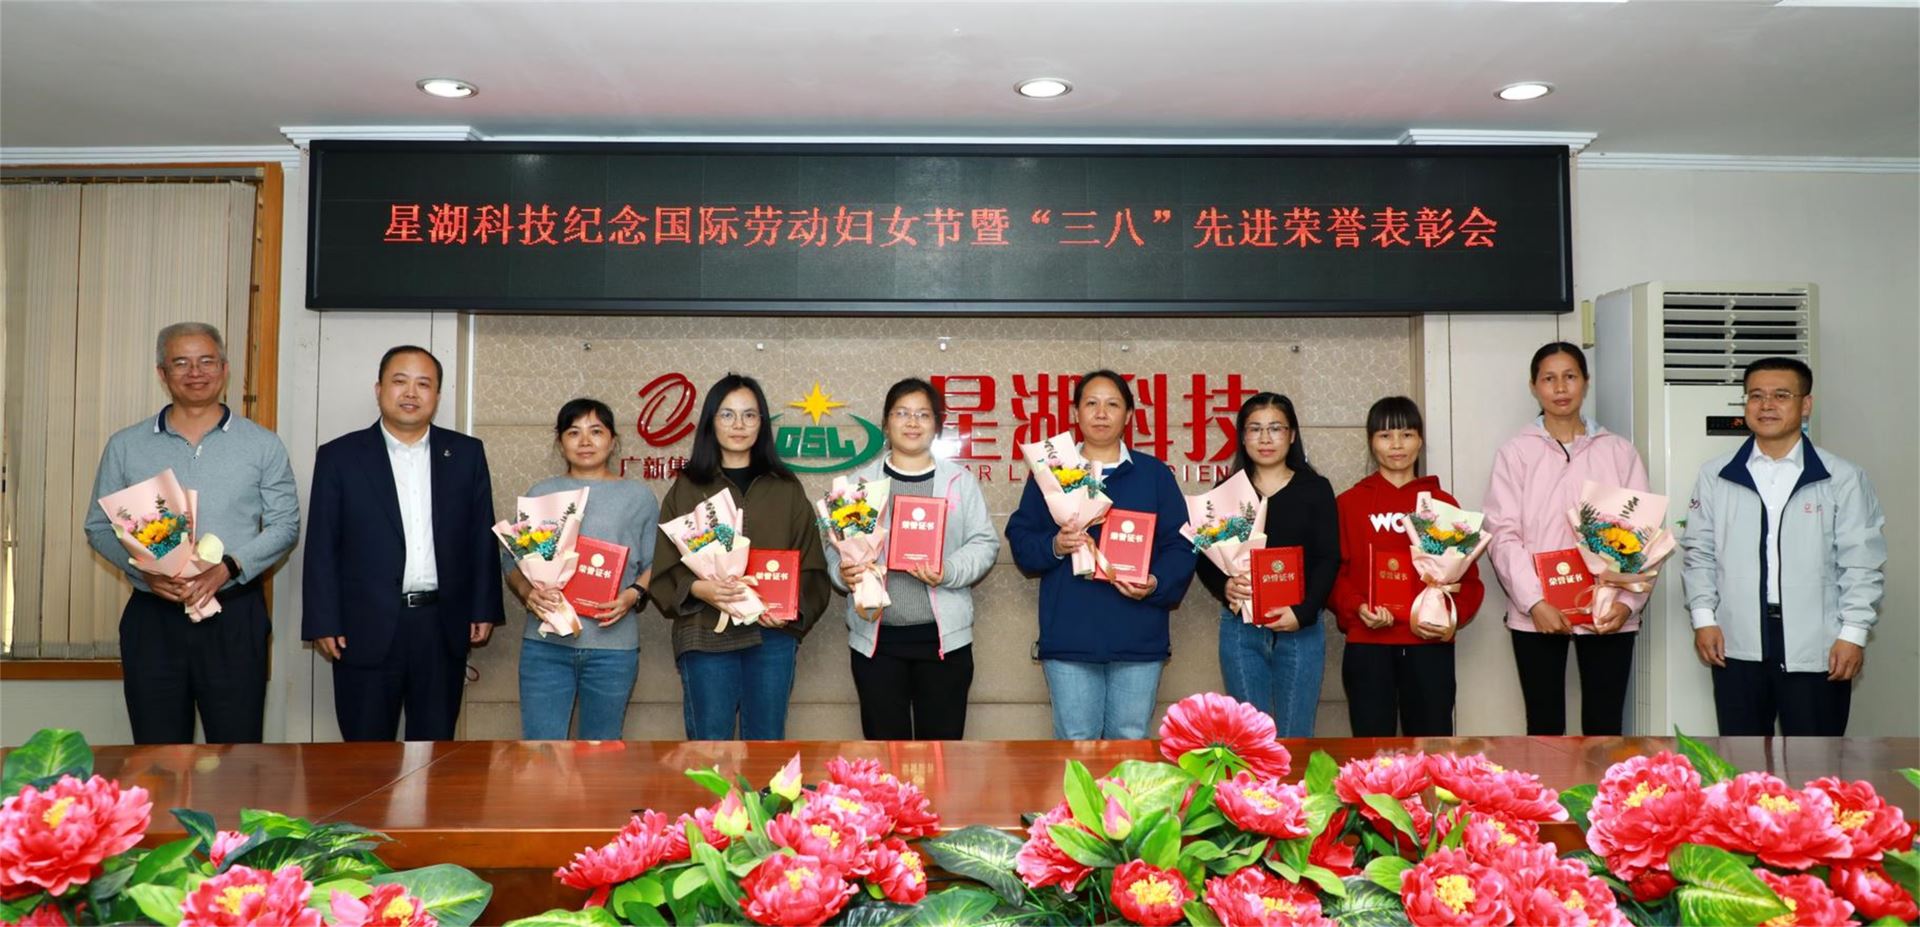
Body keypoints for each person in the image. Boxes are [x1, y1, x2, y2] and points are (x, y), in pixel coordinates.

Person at [84, 322, 299, 744]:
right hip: (154, 618)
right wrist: (146, 572)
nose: (195, 372)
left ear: (224, 369)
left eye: (206, 361)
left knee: (237, 752)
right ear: (162, 373)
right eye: (181, 363)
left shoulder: (262, 444)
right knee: (157, 754)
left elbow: (285, 524)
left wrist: (228, 568)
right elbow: (97, 526)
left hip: (234, 616)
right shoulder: (126, 445)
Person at [302, 345, 504, 741]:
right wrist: (324, 620)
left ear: (437, 396)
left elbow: (481, 535)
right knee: (365, 753)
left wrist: (483, 607)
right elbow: (322, 544)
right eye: (400, 381)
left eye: (423, 384)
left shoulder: (465, 453)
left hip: (440, 623)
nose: (411, 393)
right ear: (379, 389)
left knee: (434, 747)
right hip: (364, 624)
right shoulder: (340, 456)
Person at [1682, 357, 1884, 736]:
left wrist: (1853, 633)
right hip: (1736, 642)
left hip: (1819, 645)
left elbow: (1861, 562)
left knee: (1816, 761)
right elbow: (1699, 553)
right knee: (1740, 761)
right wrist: (1704, 619)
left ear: (1806, 404)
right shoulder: (1717, 475)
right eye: (1756, 395)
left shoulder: (1841, 477)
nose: (1766, 405)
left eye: (1781, 395)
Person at [1005, 370, 1197, 740]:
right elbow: (1022, 538)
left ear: (1129, 415)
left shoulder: (1154, 475)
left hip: (1138, 635)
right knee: (1076, 746)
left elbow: (1182, 544)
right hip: (1070, 635)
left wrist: (1156, 582)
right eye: (1091, 403)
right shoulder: (1053, 473)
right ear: (1075, 412)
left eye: (1113, 404)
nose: (1101, 413)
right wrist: (1055, 545)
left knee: (1130, 744)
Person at [649, 374, 829, 740]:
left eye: (749, 415)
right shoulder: (687, 488)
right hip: (705, 634)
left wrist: (791, 611)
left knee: (766, 748)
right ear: (711, 422)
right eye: (727, 415)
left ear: (762, 423)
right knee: (709, 750)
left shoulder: (786, 488)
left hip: (771, 638)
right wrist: (699, 589)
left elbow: (813, 567)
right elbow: (664, 570)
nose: (739, 425)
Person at [1484, 342, 1648, 736]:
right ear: (1534, 386)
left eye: (1570, 376)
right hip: (1538, 612)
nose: (1560, 388)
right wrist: (1534, 602)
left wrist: (1626, 604)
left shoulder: (1619, 451)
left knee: (1605, 728)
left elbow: (1642, 534)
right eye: (1549, 378)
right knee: (1544, 727)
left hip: (1607, 610)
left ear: (1585, 382)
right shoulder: (1516, 452)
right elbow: (1502, 533)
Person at [825, 378, 999, 740]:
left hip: (943, 642)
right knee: (885, 754)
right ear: (886, 423)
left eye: (923, 414)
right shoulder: (858, 484)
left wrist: (948, 570)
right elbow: (834, 548)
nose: (912, 422)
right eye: (901, 413)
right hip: (878, 641)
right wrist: (844, 573)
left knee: (942, 753)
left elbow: (984, 543)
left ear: (936, 425)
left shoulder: (959, 481)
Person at [1328, 397, 1485, 736]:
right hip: (1368, 645)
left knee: (1432, 748)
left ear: (1420, 440)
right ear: (1371, 442)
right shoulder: (1349, 504)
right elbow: (1334, 574)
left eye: (1407, 434)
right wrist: (1358, 607)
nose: (1397, 445)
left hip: (1428, 648)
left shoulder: (1443, 504)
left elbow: (1469, 580)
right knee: (1371, 751)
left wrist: (1448, 619)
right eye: (1385, 435)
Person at [509, 398, 658, 740]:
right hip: (546, 645)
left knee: (601, 754)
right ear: (560, 441)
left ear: (613, 440)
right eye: (574, 432)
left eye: (596, 431)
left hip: (613, 648)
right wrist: (527, 593)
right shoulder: (541, 493)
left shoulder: (638, 497)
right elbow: (512, 558)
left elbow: (656, 562)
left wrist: (633, 595)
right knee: (541, 751)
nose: (585, 441)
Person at [1196, 393, 1340, 736]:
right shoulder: (1228, 490)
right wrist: (1224, 586)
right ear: (1242, 437)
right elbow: (1203, 554)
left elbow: (1328, 558)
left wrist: (1302, 612)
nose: (1265, 438)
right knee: (1248, 738)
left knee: (1296, 736)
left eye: (1275, 428)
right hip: (1241, 627)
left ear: (1292, 435)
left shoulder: (1315, 489)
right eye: (1255, 429)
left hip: (1300, 627)